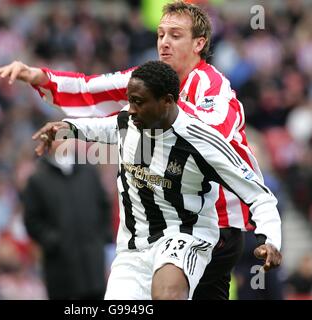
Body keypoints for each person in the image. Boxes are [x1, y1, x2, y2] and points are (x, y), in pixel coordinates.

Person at [0, 1, 274, 299]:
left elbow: (207, 137)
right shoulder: (150, 82)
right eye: (161, 34)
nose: (164, 43)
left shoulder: (212, 88)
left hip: (211, 224)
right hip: (160, 227)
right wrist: (37, 76)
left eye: (175, 35)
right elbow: (92, 89)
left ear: (199, 43)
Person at [31, 61, 282, 300]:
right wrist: (67, 128)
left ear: (167, 102)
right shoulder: (130, 121)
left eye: (138, 102)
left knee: (166, 293)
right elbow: (106, 127)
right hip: (133, 248)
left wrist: (269, 239)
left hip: (183, 236)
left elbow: (259, 194)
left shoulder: (202, 142)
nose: (130, 109)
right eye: (130, 101)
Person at [22, 138, 112, 300]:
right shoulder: (37, 180)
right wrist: (54, 241)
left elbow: (104, 206)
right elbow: (32, 221)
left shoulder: (89, 172)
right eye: (55, 138)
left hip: (93, 264)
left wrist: (101, 238)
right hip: (60, 268)